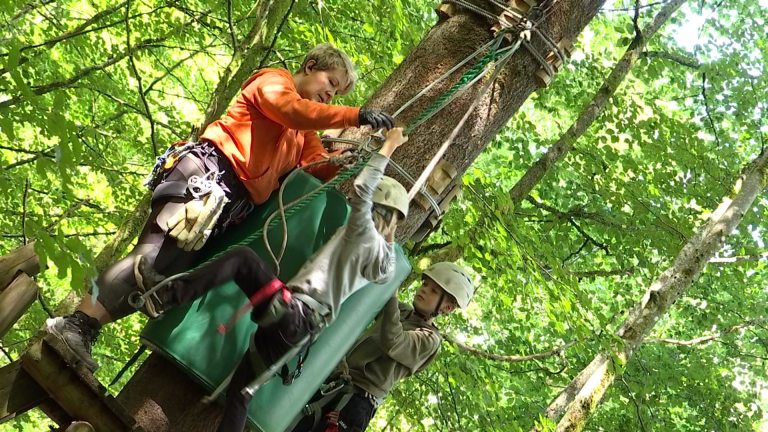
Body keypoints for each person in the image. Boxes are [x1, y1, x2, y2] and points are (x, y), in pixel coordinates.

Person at [45, 43, 396, 372]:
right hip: (206, 177)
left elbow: (313, 165)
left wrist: (342, 160)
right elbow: (292, 111)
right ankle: (74, 323)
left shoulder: (302, 133)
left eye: (337, 94)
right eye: (330, 83)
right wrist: (354, 116)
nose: (331, 95)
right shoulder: (274, 82)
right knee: (149, 258)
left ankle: (86, 331)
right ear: (310, 66)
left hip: (227, 206)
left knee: (162, 278)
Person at [133, 127, 410, 432]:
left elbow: (363, 187)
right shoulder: (384, 261)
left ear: (376, 208)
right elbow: (382, 249)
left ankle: (166, 297)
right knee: (240, 394)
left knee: (243, 260)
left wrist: (389, 147)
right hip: (300, 332)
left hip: (293, 313)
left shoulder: (364, 234)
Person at [288, 261, 475, 432]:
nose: (424, 290)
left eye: (434, 291)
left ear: (447, 308)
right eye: (425, 284)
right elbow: (373, 293)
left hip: (355, 405)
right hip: (332, 384)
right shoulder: (402, 311)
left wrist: (392, 292)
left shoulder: (429, 339)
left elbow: (393, 340)